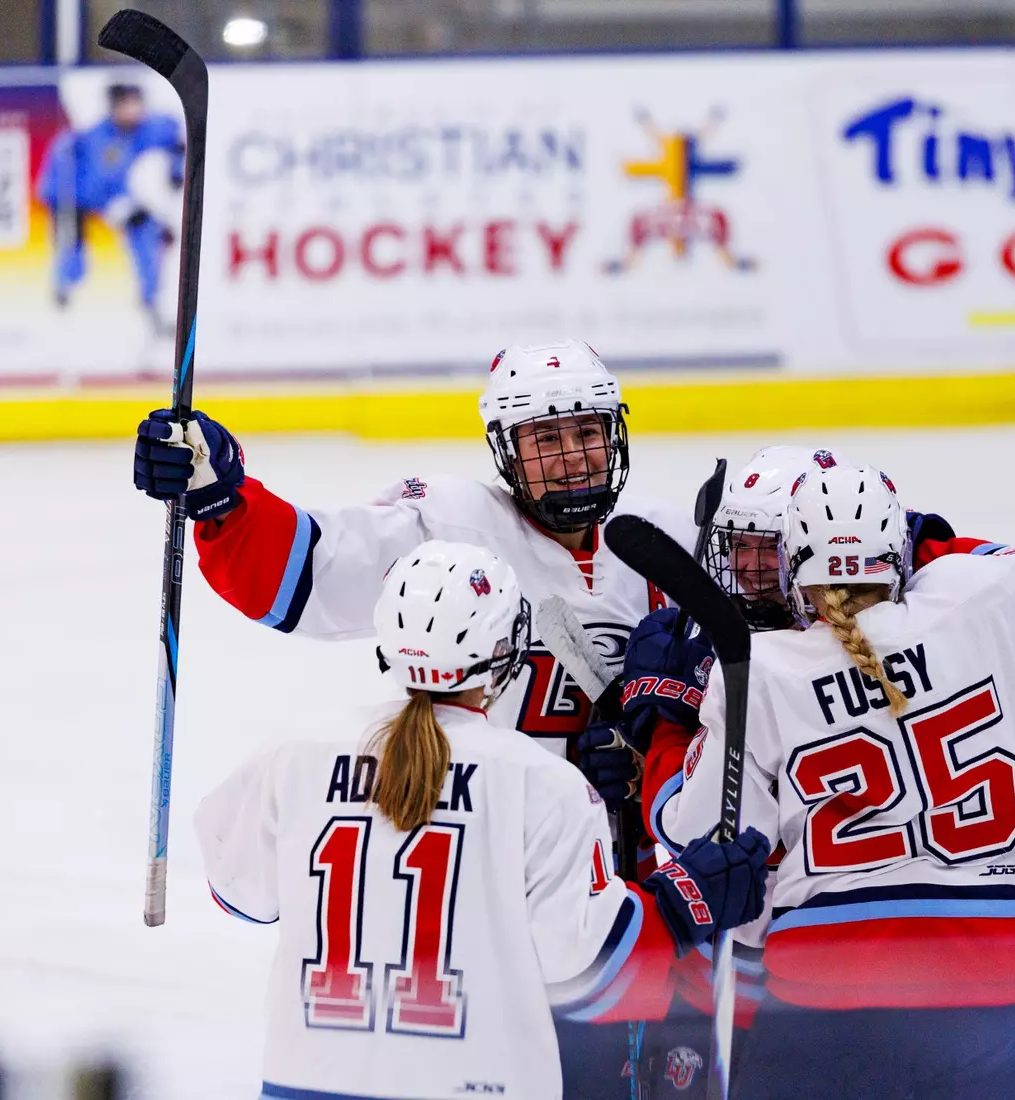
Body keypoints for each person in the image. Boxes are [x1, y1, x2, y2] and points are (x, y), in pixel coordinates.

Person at [134, 341, 691, 1096]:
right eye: (545, 439)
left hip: (616, 879)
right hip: (490, 883)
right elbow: (310, 570)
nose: (570, 458)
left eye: (586, 431)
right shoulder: (450, 530)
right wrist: (222, 499)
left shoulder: (666, 541)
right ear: (505, 450)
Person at [577, 445, 1015, 1097]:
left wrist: (665, 727)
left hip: (813, 988)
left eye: (769, 551)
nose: (748, 571)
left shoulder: (756, 673)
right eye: (740, 548)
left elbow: (692, 827)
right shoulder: (968, 606)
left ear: (798, 556)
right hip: (993, 991)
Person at [194, 540, 771, 1100]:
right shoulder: (541, 784)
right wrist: (685, 899)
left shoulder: (295, 754)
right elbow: (592, 972)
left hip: (303, 1079)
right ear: (508, 649)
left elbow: (239, 895)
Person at [36, 82, 183, 327]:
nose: (135, 110)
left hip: (110, 194)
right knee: (72, 247)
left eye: (137, 103)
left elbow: (171, 131)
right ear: (114, 107)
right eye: (127, 105)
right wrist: (120, 209)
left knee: (146, 230)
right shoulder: (98, 139)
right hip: (71, 194)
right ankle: (62, 293)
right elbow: (97, 186)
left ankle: (151, 297)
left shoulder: (142, 128)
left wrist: (177, 163)